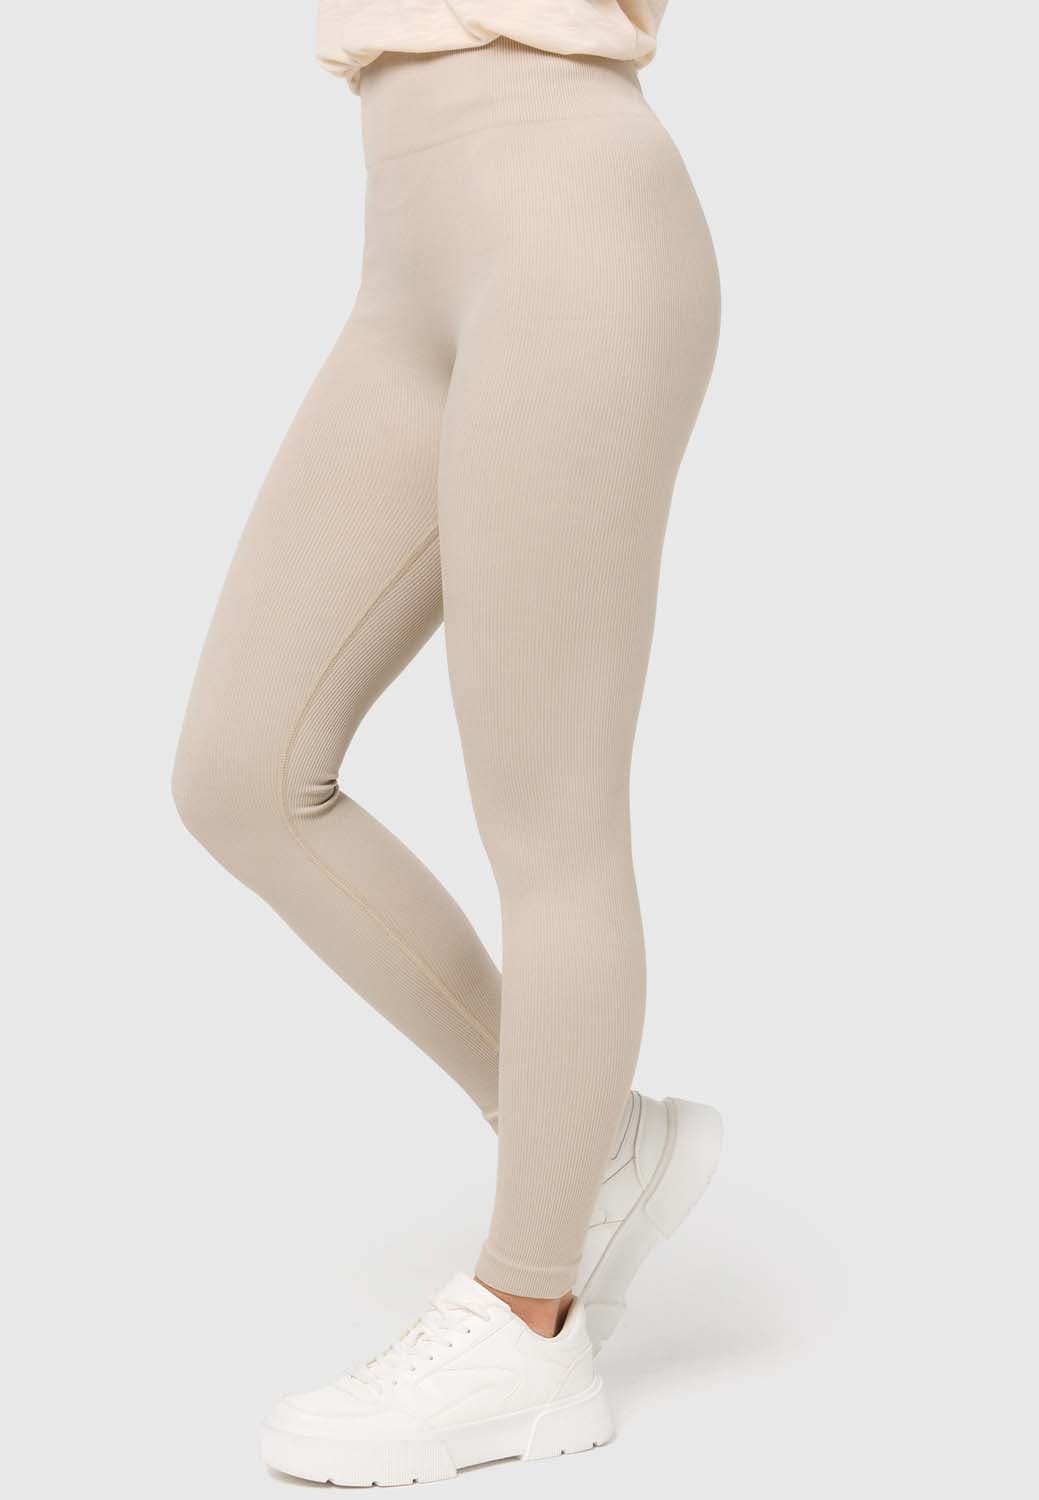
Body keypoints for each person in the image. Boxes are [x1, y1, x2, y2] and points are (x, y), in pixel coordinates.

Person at [173, 2, 723, 1484]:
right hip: (404, 243)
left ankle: (531, 1331)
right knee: (239, 774)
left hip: (573, 217)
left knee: (549, 816)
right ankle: (596, 1142)